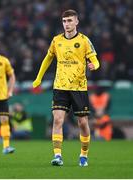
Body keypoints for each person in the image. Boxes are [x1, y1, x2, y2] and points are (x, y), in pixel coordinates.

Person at [33, 9, 100, 167]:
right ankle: (58, 156)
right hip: (60, 86)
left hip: (79, 87)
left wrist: (94, 66)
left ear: (77, 22)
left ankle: (83, 155)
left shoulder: (84, 40)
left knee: (82, 123)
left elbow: (96, 60)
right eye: (64, 21)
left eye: (70, 21)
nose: (67, 24)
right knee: (57, 120)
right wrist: (38, 78)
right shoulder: (56, 40)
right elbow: (48, 59)